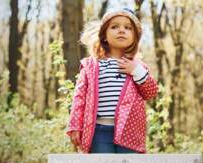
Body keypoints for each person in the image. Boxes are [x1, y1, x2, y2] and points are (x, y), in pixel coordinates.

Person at [66, 8, 158, 154]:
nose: (121, 30)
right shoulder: (92, 66)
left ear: (134, 37)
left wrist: (136, 70)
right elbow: (79, 97)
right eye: (114, 27)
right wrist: (75, 126)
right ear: (104, 36)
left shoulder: (138, 66)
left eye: (127, 28)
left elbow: (151, 93)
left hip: (131, 131)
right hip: (99, 131)